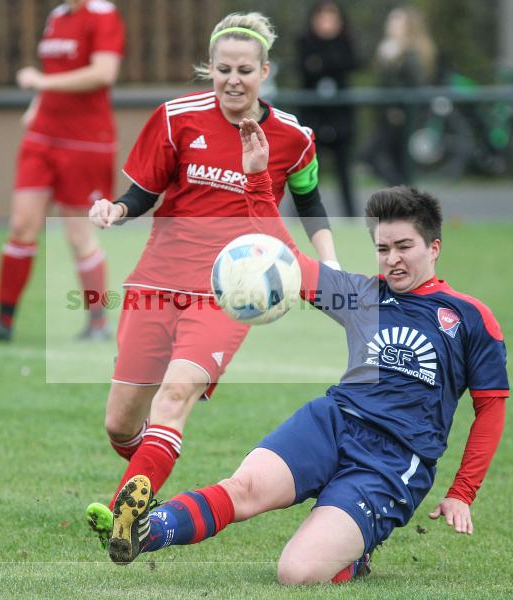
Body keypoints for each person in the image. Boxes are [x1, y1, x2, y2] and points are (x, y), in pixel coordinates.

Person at [106, 118, 509, 585]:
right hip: (333, 422)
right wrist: (257, 178)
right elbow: (287, 258)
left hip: (393, 461)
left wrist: (462, 492)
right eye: (383, 248)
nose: (393, 259)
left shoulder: (471, 318)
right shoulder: (362, 295)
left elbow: (490, 410)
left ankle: (354, 551)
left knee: (296, 573)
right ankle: (146, 531)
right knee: (244, 489)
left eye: (405, 246)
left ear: (434, 246)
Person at [83, 12, 341, 545]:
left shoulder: (294, 137)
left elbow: (311, 201)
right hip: (156, 281)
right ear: (210, 68)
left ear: (264, 71)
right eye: (222, 69)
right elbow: (142, 194)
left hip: (229, 294)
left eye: (244, 70)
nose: (232, 80)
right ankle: (152, 461)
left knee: (175, 394)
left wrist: (329, 262)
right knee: (119, 424)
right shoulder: (176, 119)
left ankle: (126, 517)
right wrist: (117, 210)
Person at [0, 0, 125, 341]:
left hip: (85, 142)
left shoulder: (102, 15)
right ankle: (3, 322)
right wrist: (37, 103)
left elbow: (104, 73)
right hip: (41, 139)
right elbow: (53, 75)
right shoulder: (57, 16)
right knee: (22, 225)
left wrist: (42, 83)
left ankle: (98, 323)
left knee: (78, 233)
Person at [296, 0, 360, 217]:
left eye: (331, 18)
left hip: (340, 120)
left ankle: (351, 218)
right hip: (313, 119)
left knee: (345, 174)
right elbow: (306, 68)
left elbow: (351, 63)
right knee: (305, 173)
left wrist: (322, 63)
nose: (326, 23)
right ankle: (299, 219)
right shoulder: (305, 41)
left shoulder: (346, 42)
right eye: (322, 18)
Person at [362, 7, 437, 187]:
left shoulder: (412, 53)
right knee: (381, 159)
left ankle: (403, 195)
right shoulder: (389, 50)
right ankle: (401, 196)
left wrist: (397, 108)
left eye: (396, 22)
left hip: (403, 117)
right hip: (387, 116)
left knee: (386, 159)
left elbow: (412, 84)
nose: (390, 25)